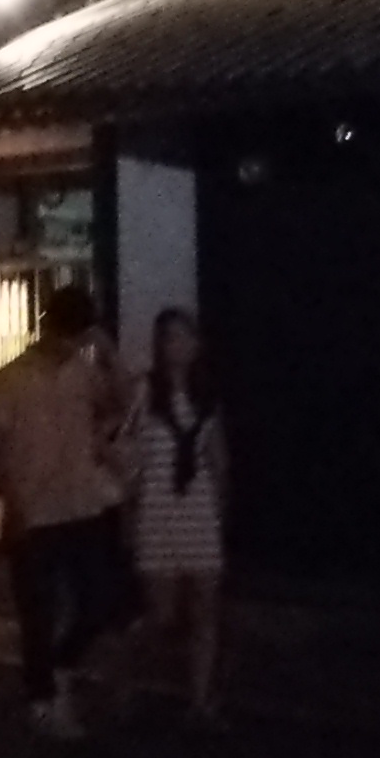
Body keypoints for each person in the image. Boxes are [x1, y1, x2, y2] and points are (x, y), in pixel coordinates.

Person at [0, 282, 134, 740]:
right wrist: (12, 504)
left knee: (99, 601)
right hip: (36, 508)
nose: (69, 343)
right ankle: (43, 698)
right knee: (38, 611)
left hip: (81, 503)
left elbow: (124, 403)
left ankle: (58, 670)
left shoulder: (82, 373)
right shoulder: (10, 378)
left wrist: (107, 352)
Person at [125, 308, 232, 729]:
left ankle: (201, 701)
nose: (178, 345)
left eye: (186, 337)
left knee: (205, 610)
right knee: (163, 615)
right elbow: (129, 452)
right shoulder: (145, 391)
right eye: (171, 337)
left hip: (199, 510)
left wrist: (220, 510)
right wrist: (130, 511)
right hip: (158, 509)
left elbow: (218, 458)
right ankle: (131, 669)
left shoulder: (207, 396)